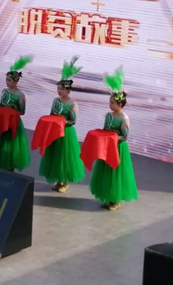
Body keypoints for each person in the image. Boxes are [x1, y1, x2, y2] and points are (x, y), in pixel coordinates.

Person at [89, 68, 138, 211]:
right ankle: (108, 197)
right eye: (109, 102)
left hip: (118, 149)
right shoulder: (109, 116)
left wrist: (112, 139)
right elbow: (105, 129)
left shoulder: (124, 118)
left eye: (112, 103)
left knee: (116, 173)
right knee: (106, 172)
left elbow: (124, 136)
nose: (110, 105)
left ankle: (115, 200)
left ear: (120, 104)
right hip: (107, 148)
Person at [39, 57, 85, 193]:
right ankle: (58, 180)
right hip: (55, 132)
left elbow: (72, 121)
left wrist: (62, 122)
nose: (59, 91)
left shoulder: (73, 104)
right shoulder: (56, 101)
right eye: (58, 88)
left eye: (62, 89)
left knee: (65, 157)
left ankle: (65, 182)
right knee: (56, 156)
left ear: (68, 90)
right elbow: (52, 114)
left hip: (66, 133)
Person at [0, 55, 34, 171]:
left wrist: (10, 113)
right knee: (2, 141)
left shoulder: (20, 95)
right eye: (6, 79)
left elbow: (22, 112)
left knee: (11, 143)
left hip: (13, 122)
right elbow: (2, 105)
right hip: (3, 121)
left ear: (16, 81)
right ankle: (1, 164)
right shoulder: (4, 92)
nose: (7, 82)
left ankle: (10, 166)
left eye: (9, 80)